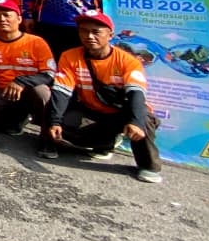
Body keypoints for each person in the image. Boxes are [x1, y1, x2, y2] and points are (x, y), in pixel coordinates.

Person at [41, 10, 162, 183]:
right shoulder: (70, 56)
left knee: (145, 119)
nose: (89, 36)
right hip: (90, 111)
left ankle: (148, 166)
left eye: (96, 32)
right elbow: (61, 91)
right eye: (84, 31)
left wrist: (135, 122)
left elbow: (136, 93)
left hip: (118, 114)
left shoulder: (128, 61)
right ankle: (103, 144)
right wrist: (54, 122)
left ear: (110, 35)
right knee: (54, 113)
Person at [0, 0, 55, 134]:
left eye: (6, 15)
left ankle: (47, 134)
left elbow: (49, 75)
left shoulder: (37, 42)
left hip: (30, 90)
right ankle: (17, 117)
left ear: (19, 19)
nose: (1, 19)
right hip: (2, 91)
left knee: (42, 92)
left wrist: (21, 81)